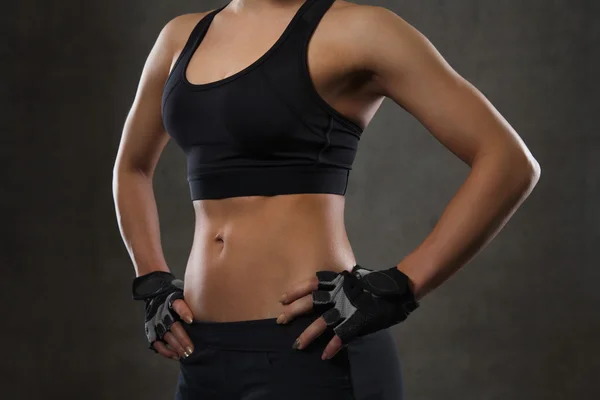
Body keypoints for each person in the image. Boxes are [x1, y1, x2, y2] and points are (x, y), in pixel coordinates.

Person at [112, 0, 541, 399]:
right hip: (203, 355)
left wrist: (400, 285)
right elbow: (131, 167)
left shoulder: (358, 30)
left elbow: (508, 162)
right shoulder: (180, 37)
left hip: (312, 346)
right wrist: (152, 280)